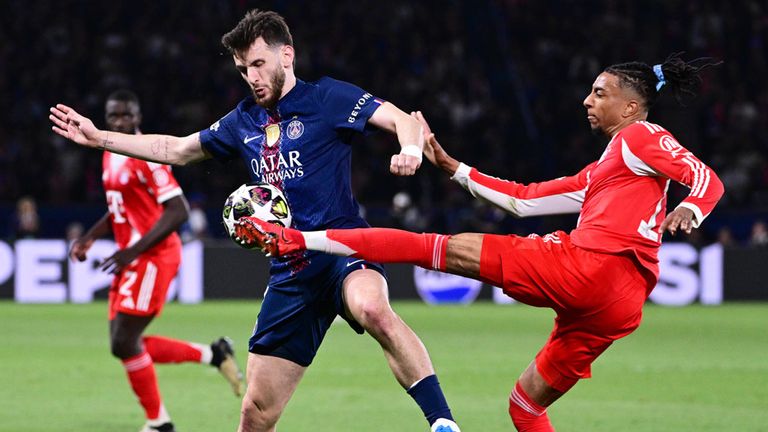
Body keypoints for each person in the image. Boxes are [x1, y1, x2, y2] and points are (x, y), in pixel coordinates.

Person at [233, 55, 725, 431]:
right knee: (524, 405)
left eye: (599, 93)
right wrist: (455, 169)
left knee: (433, 247)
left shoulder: (640, 136)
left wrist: (691, 208)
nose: (587, 101)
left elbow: (706, 179)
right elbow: (524, 201)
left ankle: (299, 237)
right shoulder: (606, 169)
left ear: (631, 105)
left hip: (591, 267)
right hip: (616, 307)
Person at [50, 11, 460, 432]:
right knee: (256, 413)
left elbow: (400, 118)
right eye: (243, 69)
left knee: (372, 308)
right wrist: (99, 137)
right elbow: (175, 149)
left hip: (342, 249)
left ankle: (443, 421)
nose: (251, 76)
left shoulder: (327, 98)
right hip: (291, 272)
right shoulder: (242, 121)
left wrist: (410, 149)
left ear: (287, 55)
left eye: (258, 64)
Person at [67, 89, 243, 432]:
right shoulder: (108, 151)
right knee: (123, 343)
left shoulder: (144, 154)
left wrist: (133, 250)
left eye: (126, 116)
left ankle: (159, 422)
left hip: (154, 256)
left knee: (123, 342)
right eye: (113, 116)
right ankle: (214, 355)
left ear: (138, 118)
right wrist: (91, 235)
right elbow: (120, 205)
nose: (119, 121)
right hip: (132, 256)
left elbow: (178, 210)